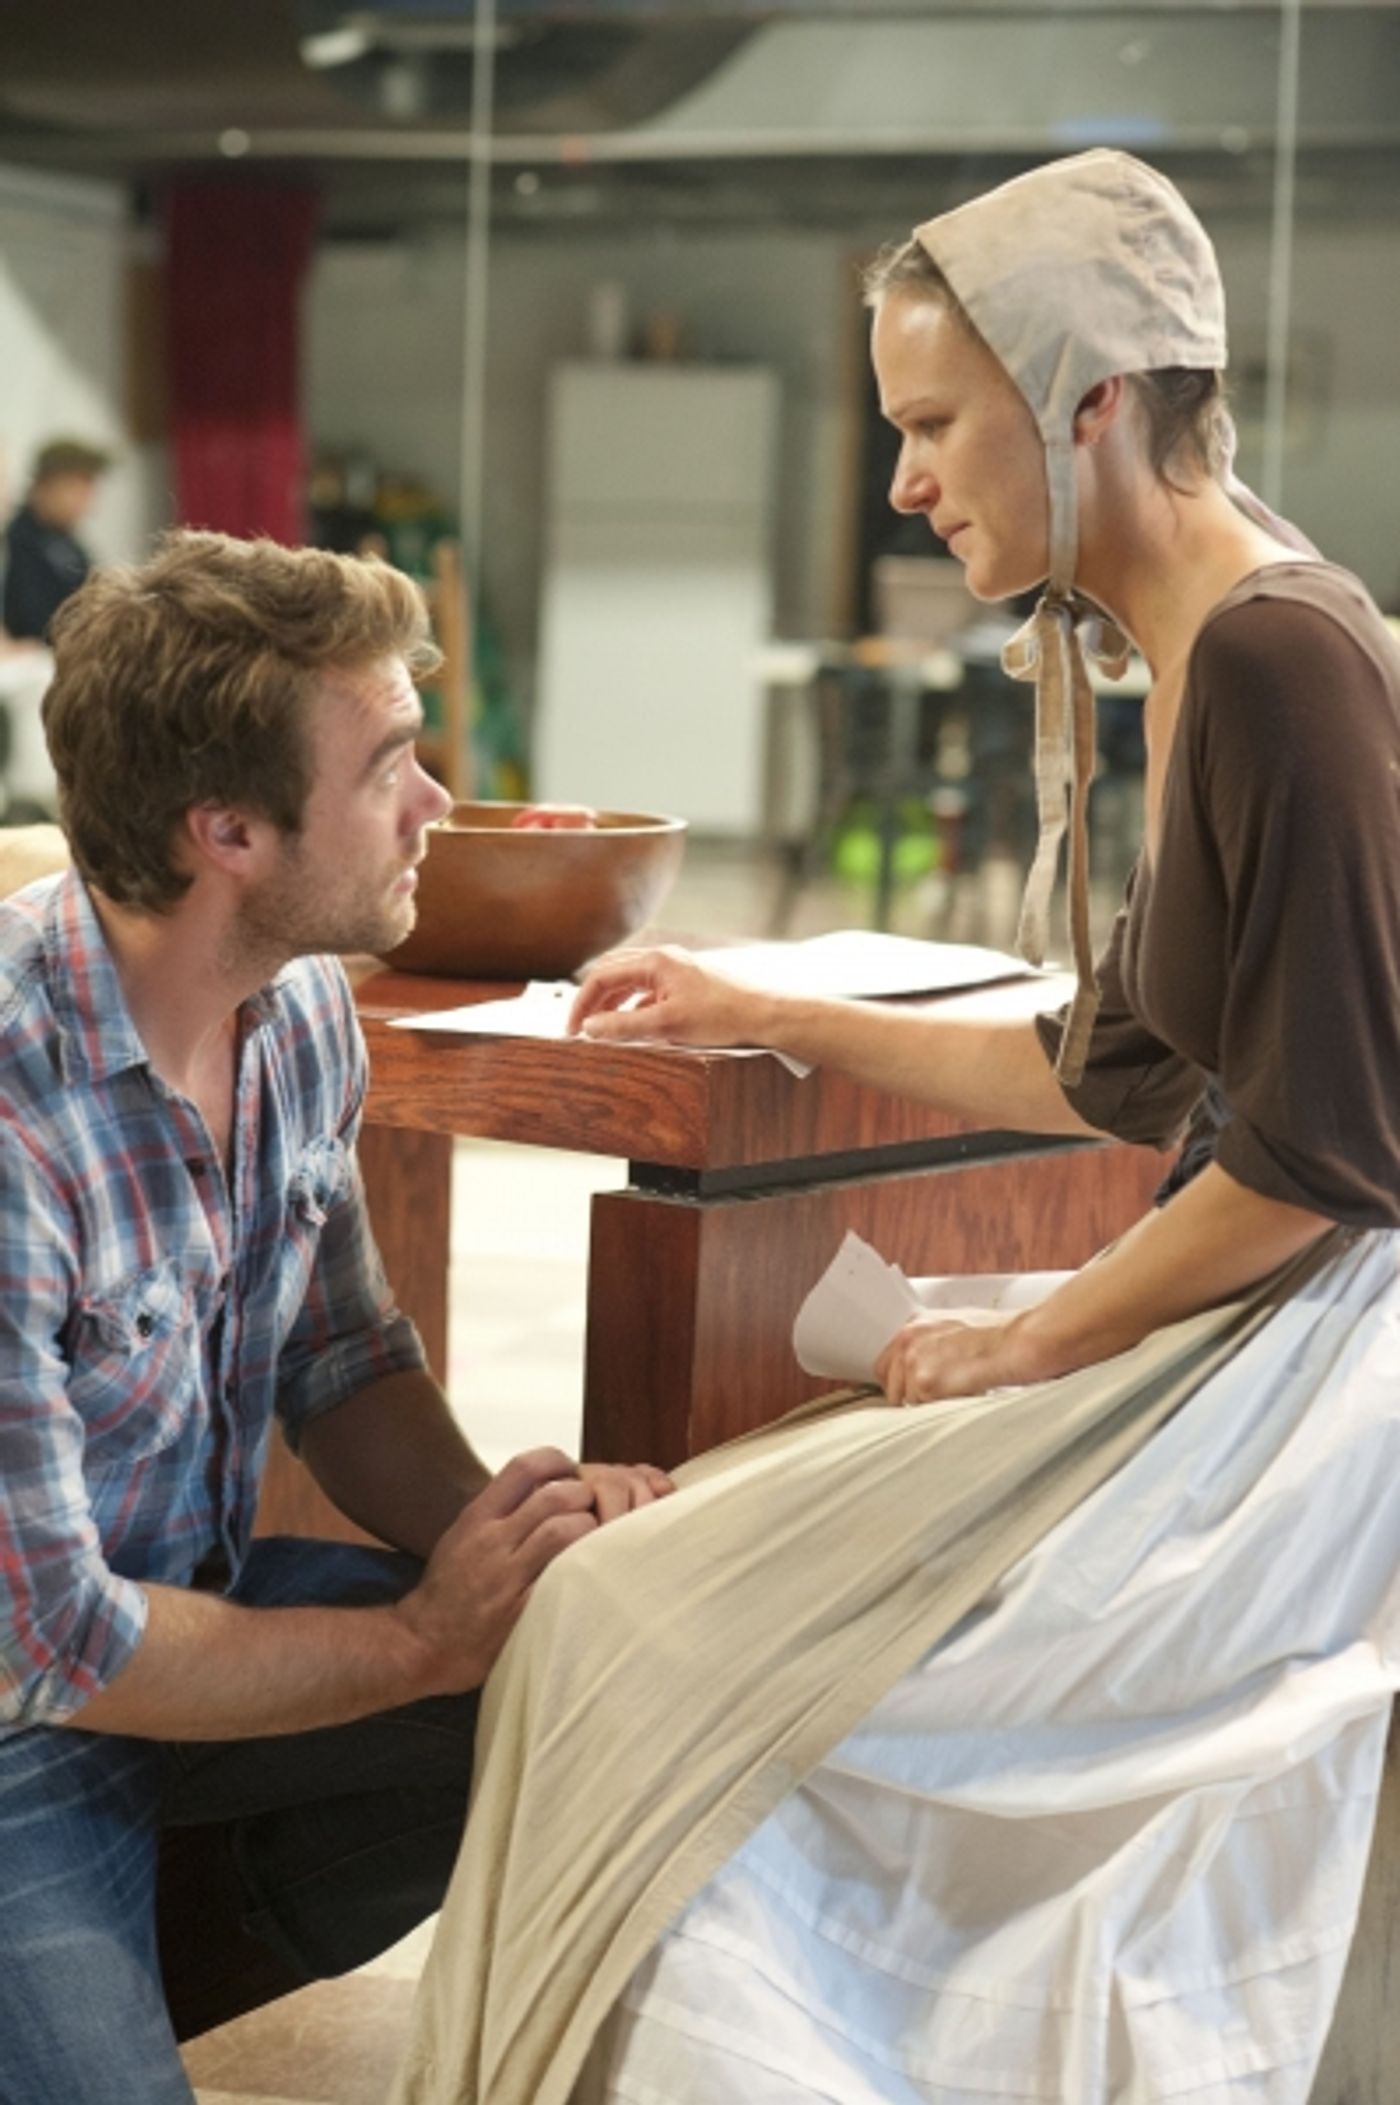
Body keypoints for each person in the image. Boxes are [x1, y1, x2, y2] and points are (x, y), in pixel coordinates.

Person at [391, 151, 1400, 2104]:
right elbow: (1112, 1068)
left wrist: (1030, 1337)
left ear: (1087, 397)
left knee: (635, 1614)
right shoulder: (1220, 632)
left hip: (1312, 1398)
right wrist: (757, 1002)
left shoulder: (1274, 656)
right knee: (653, 1579)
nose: (906, 481)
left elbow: (1324, 1154)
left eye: (934, 422)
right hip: (1260, 1333)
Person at [0, 529, 672, 2105]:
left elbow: (340, 1354)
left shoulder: (292, 1009)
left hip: (188, 1613)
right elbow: (66, 1645)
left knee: (576, 1678)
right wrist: (422, 1639)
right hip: (27, 1714)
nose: (437, 801)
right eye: (389, 764)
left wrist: (516, 1548)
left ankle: (106, 1979)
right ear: (226, 828)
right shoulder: (16, 1124)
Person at [1, 435, 113, 642]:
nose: (87, 500)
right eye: (77, 487)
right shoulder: (18, 541)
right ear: (45, 485)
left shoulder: (68, 541)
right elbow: (35, 624)